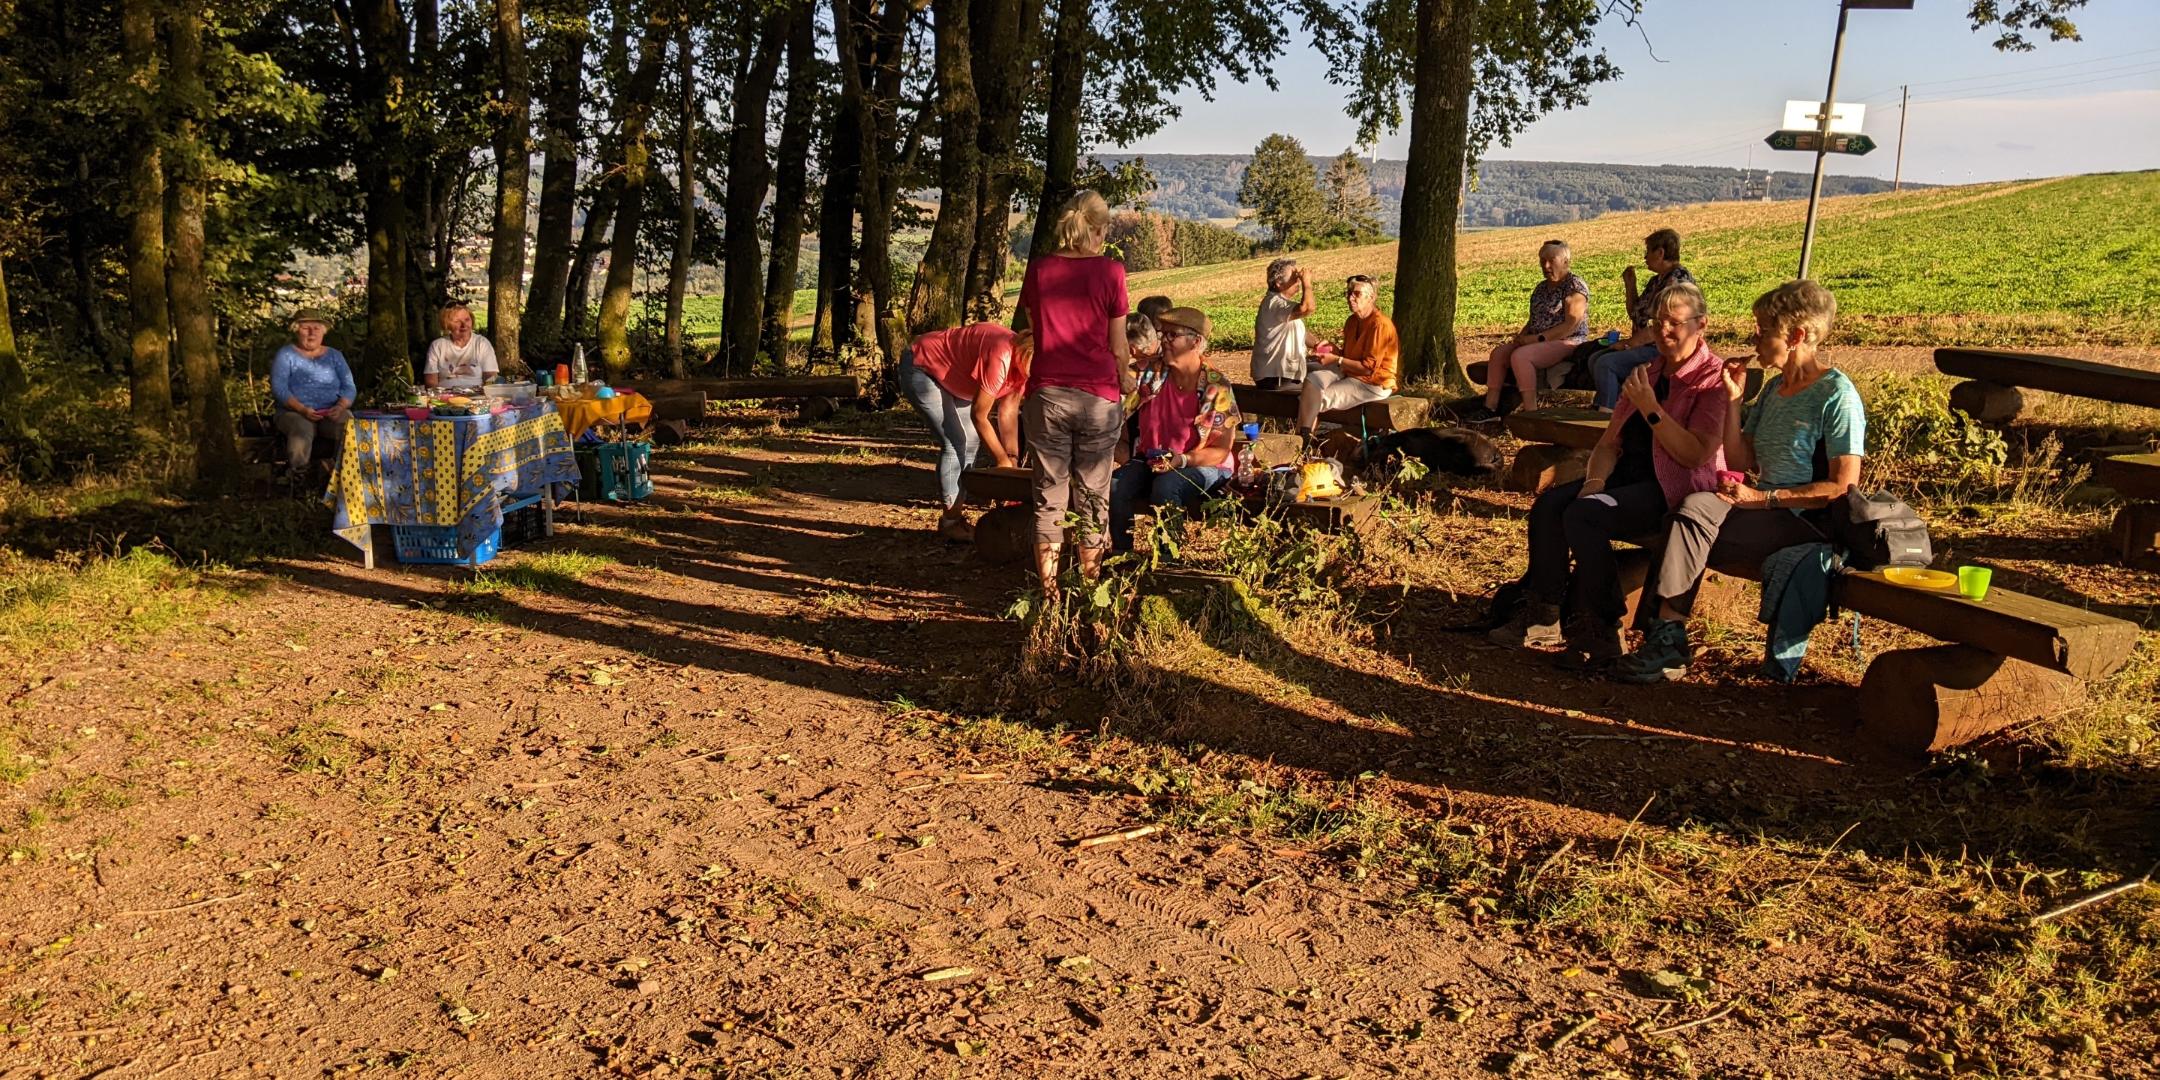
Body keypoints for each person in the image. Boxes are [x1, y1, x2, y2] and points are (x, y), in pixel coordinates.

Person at [1611, 280, 1865, 683]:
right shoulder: (1776, 391)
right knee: (1688, 508)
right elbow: (1742, 459)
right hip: (1756, 505)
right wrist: (1732, 400)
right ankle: (1666, 636)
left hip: (1802, 519)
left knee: (1687, 521)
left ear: (1797, 336)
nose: (1754, 338)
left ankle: (1666, 639)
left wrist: (1765, 499)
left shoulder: (1836, 395)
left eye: (1764, 330)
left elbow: (1840, 487)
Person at [1487, 283, 1727, 668]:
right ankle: (1545, 613)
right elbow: (1608, 444)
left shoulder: (1711, 381)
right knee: (1552, 504)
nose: (1663, 331)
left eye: (1675, 323)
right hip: (1623, 481)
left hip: (1671, 490)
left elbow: (1694, 453)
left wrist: (1652, 409)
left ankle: (1602, 624)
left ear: (1701, 325)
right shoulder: (1647, 371)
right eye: (1658, 322)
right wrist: (1593, 483)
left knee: (1586, 515)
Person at [1017, 190, 1132, 592]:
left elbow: (1036, 325)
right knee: (1093, 494)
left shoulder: (1040, 269)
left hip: (1047, 391)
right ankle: (1089, 589)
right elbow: (1118, 344)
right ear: (1100, 230)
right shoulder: (1111, 272)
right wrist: (1126, 374)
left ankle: (1048, 597)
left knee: (1049, 495)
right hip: (1099, 395)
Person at [1109, 308, 1241, 552]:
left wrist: (1181, 460)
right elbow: (1114, 390)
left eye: (1172, 335)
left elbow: (1221, 450)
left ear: (1196, 342)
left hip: (1203, 465)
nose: (1164, 341)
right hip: (1153, 460)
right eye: (1162, 334)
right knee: (1115, 487)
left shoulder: (1216, 386)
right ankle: (1122, 559)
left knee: (1167, 486)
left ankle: (1169, 563)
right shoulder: (1149, 373)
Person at [900, 323, 1034, 543]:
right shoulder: (1002, 355)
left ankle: (955, 515)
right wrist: (1000, 459)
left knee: (970, 442)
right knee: (956, 443)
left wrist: (1011, 459)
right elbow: (980, 415)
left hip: (957, 381)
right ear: (1027, 353)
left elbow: (1008, 411)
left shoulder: (1025, 366)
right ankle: (950, 523)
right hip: (923, 366)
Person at [1469, 240, 1589, 420]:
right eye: (1542, 261)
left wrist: (1538, 339)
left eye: (1551, 260)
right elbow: (1535, 318)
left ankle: (1531, 412)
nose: (1546, 266)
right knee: (1499, 354)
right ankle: (1490, 408)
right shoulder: (1541, 288)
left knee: (1521, 356)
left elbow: (1570, 325)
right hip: (1536, 340)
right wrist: (1523, 335)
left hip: (1568, 341)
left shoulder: (1575, 286)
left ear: (1565, 262)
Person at [1591, 228, 1699, 411]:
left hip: (1662, 348)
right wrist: (1630, 285)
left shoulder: (1677, 281)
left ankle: (1606, 416)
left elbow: (1663, 324)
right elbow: (1636, 313)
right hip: (1646, 345)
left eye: (1647, 252)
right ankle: (1617, 407)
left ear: (1660, 252)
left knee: (1606, 363)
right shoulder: (1656, 281)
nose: (1644, 257)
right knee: (1595, 358)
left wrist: (1629, 344)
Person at [1296, 274, 1397, 441]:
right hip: (1351, 374)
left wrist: (1336, 360)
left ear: (1371, 297)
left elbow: (1368, 368)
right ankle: (1304, 438)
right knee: (1312, 380)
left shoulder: (1380, 325)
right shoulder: (1352, 321)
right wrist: (1332, 350)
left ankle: (1303, 441)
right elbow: (1348, 356)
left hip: (1372, 383)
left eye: (1356, 294)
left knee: (1316, 399)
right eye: (1349, 293)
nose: (1350, 298)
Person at [269, 308, 356, 490]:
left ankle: (345, 478)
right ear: (296, 330)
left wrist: (340, 406)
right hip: (293, 412)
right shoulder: (286, 355)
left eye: (316, 328)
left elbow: (349, 388)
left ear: (323, 331)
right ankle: (299, 481)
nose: (311, 332)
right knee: (302, 428)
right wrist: (302, 409)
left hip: (330, 411)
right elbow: (279, 389)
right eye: (305, 327)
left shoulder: (334, 356)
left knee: (348, 422)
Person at [1253, 259, 1318, 391]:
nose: (1297, 281)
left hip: (1278, 375)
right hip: (1277, 377)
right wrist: (1307, 283)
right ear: (1278, 283)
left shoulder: (1281, 305)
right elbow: (1307, 308)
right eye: (1294, 278)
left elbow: (1301, 333)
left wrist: (1319, 345)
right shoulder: (1274, 303)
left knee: (1326, 369)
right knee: (1321, 386)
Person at [423, 302, 499, 389]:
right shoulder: (437, 346)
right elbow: (430, 382)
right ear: (446, 324)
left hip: (476, 395)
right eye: (457, 321)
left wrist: (485, 392)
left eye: (467, 320)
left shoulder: (482, 343)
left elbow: (491, 376)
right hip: (445, 397)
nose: (464, 325)